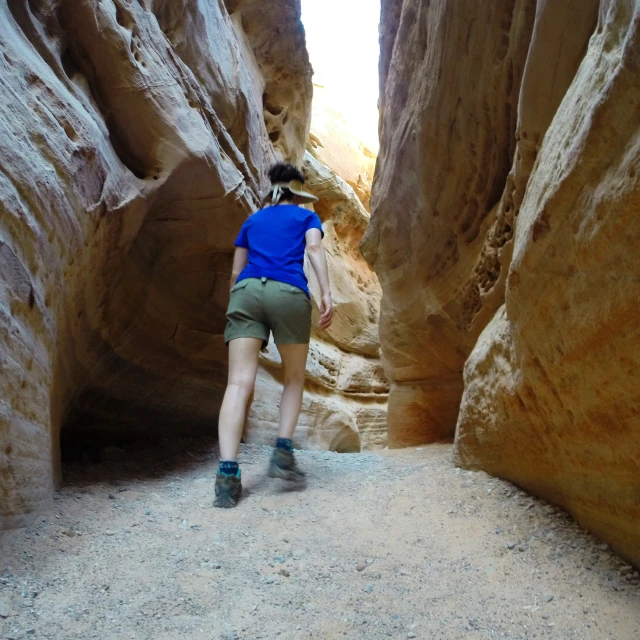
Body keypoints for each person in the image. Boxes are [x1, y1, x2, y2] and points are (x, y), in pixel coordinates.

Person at [214, 163, 333, 508]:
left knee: (238, 383)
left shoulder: (252, 221)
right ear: (298, 194)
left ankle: (227, 475)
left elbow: (236, 271)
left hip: (247, 291)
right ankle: (282, 451)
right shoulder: (306, 219)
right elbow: (313, 250)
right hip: (289, 292)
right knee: (294, 378)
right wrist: (326, 292)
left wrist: (240, 304)